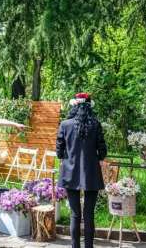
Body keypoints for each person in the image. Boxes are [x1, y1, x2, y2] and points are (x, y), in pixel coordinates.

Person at [56, 93, 107, 248]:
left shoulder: (65, 125)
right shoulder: (96, 124)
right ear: (89, 106)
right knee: (89, 214)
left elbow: (59, 151)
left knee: (75, 214)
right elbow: (103, 151)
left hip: (70, 173)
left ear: (75, 106)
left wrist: (68, 156)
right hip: (91, 172)